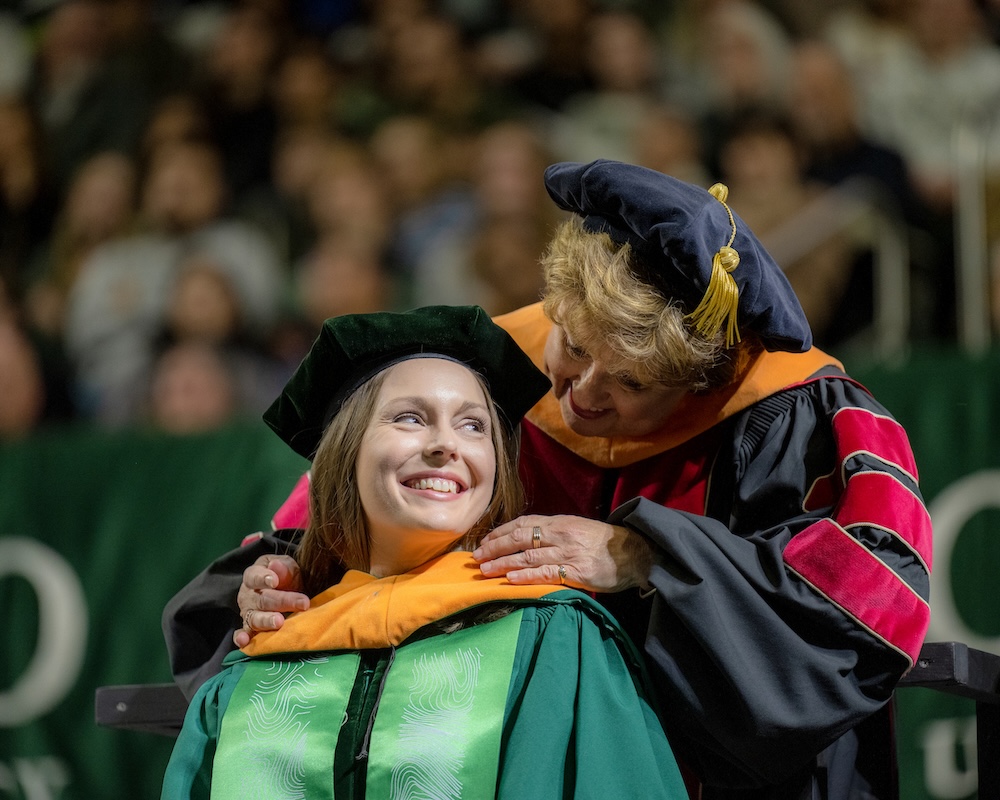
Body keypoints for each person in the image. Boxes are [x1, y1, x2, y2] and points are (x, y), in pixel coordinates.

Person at [167, 161, 931, 799]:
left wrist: (645, 558)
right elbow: (319, 529)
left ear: (703, 378)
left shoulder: (794, 411)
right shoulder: (477, 380)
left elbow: (858, 619)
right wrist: (279, 576)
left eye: (630, 383)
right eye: (573, 345)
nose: (582, 394)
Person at [160, 305, 687, 799]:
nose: (445, 444)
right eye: (410, 418)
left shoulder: (554, 637)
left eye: (473, 425)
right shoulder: (260, 659)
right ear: (348, 450)